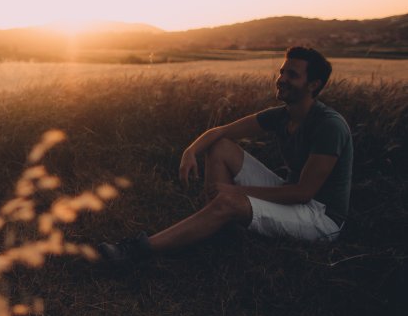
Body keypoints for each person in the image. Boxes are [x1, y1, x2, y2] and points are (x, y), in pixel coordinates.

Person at [97, 46, 353, 266]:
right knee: (219, 146)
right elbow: (220, 132)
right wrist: (190, 151)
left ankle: (138, 250)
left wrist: (235, 193)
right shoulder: (283, 115)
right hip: (292, 197)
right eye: (282, 72)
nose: (281, 79)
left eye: (292, 75)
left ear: (314, 85)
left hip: (320, 218)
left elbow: (302, 193)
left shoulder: (329, 126)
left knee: (230, 201)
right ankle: (217, 224)